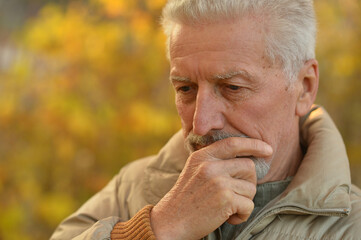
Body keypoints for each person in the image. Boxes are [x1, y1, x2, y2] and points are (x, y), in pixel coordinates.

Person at [51, 0, 361, 239]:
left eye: (232, 88)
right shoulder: (131, 187)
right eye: (185, 88)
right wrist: (159, 226)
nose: (201, 123)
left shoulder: (352, 224)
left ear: (305, 86)